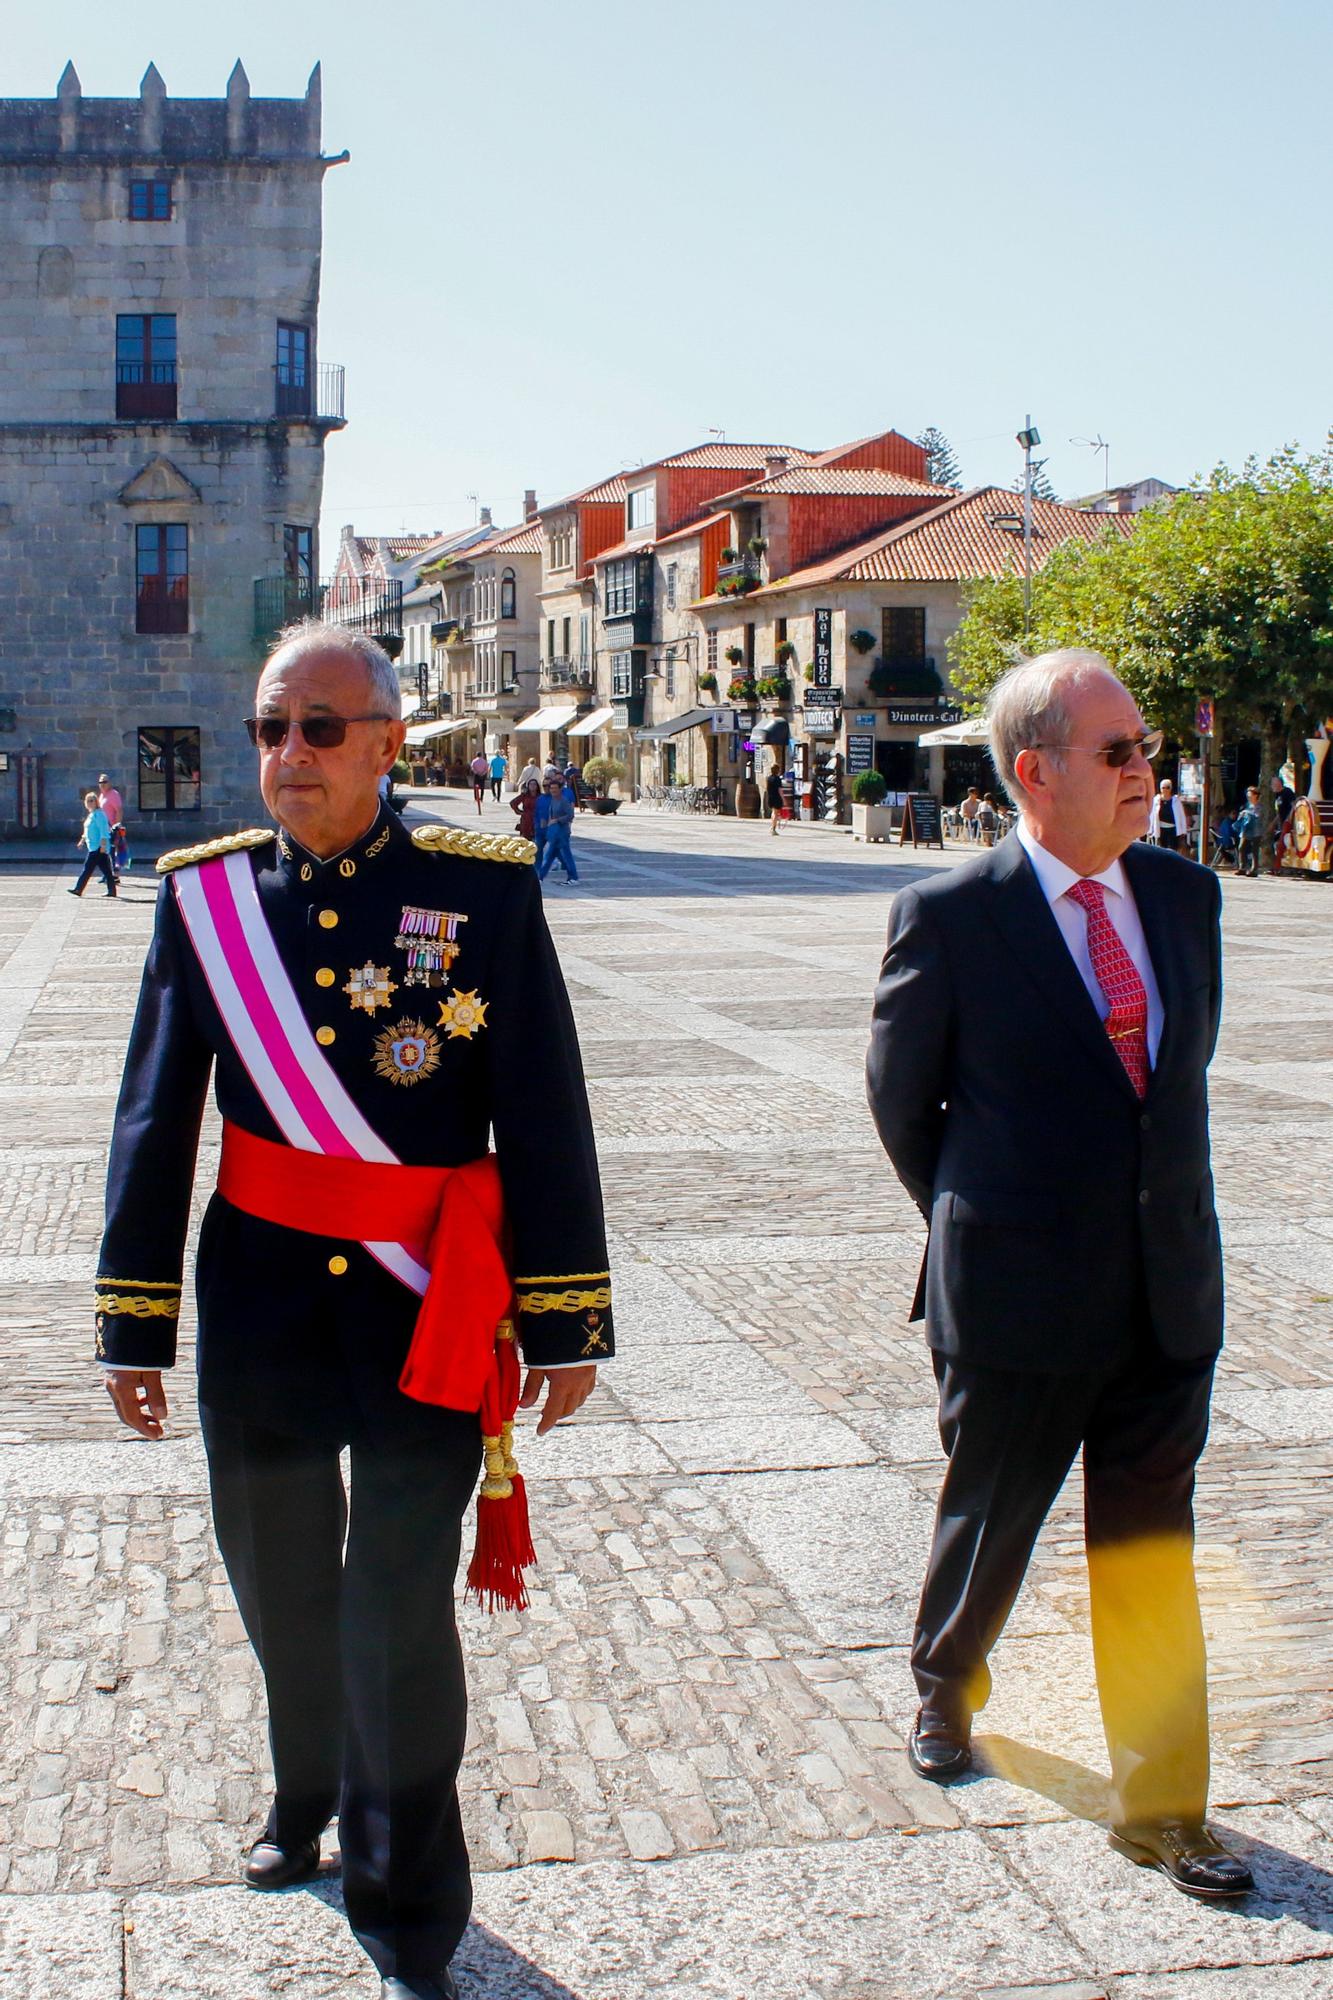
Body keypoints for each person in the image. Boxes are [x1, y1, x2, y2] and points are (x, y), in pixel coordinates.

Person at [95, 620, 614, 2000]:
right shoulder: (203, 901)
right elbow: (156, 1119)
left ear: (388, 743)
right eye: (271, 728)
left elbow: (541, 1107)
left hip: (422, 1310)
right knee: (277, 1581)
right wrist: (130, 1322)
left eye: (321, 729)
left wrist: (563, 1317)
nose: (290, 755)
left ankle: (406, 1903)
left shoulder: (483, 893)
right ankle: (302, 1786)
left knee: (395, 1605)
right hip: (259, 1306)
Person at [866, 648, 1253, 1903]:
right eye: (1119, 753)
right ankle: (944, 1679)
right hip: (1018, 1294)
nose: (1148, 770)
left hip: (1164, 1287)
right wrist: (986, 1216)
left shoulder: (1185, 897)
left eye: (1146, 747)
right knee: (991, 1517)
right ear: (1035, 773)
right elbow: (902, 1105)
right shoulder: (952, 915)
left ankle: (1162, 1803)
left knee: (1150, 1549)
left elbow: (1170, 1093)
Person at [69, 789, 117, 898]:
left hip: (98, 847)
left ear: (96, 802)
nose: (90, 803)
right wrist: (82, 841)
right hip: (93, 846)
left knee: (87, 868)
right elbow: (87, 831)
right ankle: (112, 891)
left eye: (92, 800)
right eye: (88, 801)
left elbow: (104, 832)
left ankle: (78, 889)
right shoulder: (91, 815)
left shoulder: (99, 814)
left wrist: (103, 847)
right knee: (107, 871)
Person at [535, 772, 578, 883]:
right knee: (549, 857)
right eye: (551, 788)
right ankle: (540, 878)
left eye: (555, 788)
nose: (552, 790)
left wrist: (557, 820)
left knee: (564, 857)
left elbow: (570, 815)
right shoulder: (553, 800)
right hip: (554, 834)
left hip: (562, 833)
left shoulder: (563, 800)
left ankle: (573, 878)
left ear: (560, 789)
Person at [1150, 777, 1188, 852]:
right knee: (1161, 850)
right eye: (1163, 788)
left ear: (1170, 789)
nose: (1165, 790)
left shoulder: (1176, 801)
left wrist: (1183, 830)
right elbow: (1152, 815)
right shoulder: (1156, 800)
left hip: (1173, 829)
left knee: (1172, 850)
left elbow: (1181, 816)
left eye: (1167, 787)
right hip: (1160, 829)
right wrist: (1150, 830)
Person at [1234, 787, 1262, 877]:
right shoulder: (1247, 804)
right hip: (1246, 829)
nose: (1248, 797)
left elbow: (1258, 815)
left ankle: (1254, 869)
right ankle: (1242, 867)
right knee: (1241, 847)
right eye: (1248, 795)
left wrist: (1247, 812)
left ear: (1256, 795)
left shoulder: (1259, 806)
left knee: (1254, 850)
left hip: (1256, 829)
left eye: (1250, 795)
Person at [510, 775, 541, 845]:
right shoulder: (524, 795)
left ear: (537, 786)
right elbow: (513, 803)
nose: (532, 786)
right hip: (526, 820)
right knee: (525, 841)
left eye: (534, 784)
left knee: (537, 842)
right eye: (531, 784)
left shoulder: (540, 796)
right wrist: (519, 812)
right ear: (528, 786)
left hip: (537, 820)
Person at [764, 767, 785, 836]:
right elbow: (780, 790)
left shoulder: (768, 778)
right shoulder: (777, 779)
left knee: (773, 812)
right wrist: (783, 799)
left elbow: (767, 788)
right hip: (777, 797)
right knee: (775, 813)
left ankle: (772, 826)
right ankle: (773, 828)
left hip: (770, 797)